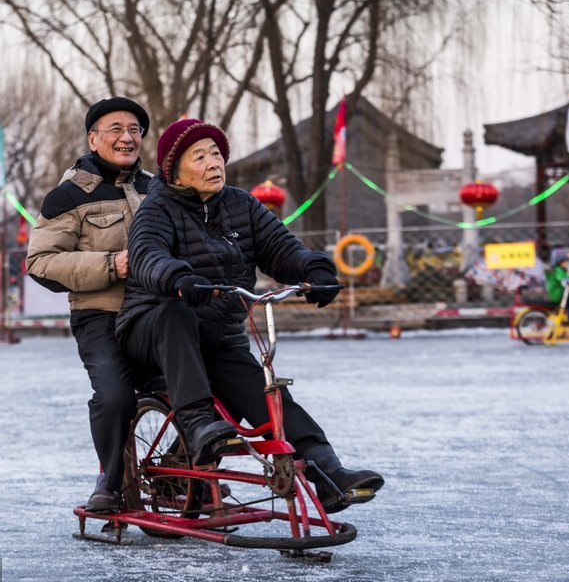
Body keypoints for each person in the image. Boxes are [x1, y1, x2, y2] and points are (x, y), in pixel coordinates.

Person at [115, 118, 384, 514]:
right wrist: (178, 277)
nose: (214, 163)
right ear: (174, 169)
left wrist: (314, 270)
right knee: (174, 311)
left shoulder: (240, 204)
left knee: (266, 395)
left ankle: (327, 473)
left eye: (217, 154)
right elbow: (146, 256)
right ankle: (197, 422)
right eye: (200, 156)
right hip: (153, 331)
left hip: (219, 337)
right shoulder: (157, 209)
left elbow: (281, 248)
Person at [26, 97, 154, 513]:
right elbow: (40, 263)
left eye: (134, 129)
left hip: (158, 313)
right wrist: (111, 264)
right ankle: (110, 479)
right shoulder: (66, 197)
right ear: (93, 138)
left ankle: (179, 470)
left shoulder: (158, 189)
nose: (126, 137)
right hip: (100, 314)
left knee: (200, 388)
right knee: (116, 397)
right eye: (115, 129)